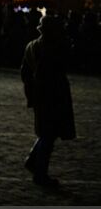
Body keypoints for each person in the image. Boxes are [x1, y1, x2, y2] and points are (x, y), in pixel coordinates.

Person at [21, 14, 76, 187]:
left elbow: (24, 72)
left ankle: (32, 160)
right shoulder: (54, 48)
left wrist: (30, 92)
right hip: (54, 93)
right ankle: (40, 174)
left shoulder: (31, 46)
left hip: (39, 93)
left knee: (46, 131)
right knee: (49, 134)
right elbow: (68, 62)